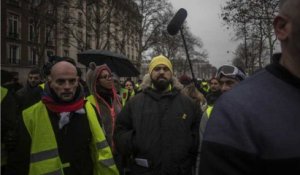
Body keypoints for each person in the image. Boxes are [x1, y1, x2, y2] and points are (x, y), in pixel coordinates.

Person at [199, 0, 300, 174]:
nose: (222, 88)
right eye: (220, 83)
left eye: (229, 83)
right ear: (281, 27)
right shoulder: (233, 113)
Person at [11, 61, 119, 175]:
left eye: (72, 81)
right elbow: (18, 163)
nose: (67, 87)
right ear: (50, 81)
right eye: (60, 81)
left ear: (78, 81)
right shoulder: (30, 116)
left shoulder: (89, 109)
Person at [114, 55, 201, 175]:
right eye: (157, 69)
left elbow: (197, 136)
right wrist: (136, 141)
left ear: (171, 74)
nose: (161, 72)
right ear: (150, 73)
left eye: (165, 69)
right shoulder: (134, 103)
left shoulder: (188, 104)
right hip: (144, 170)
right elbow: (120, 132)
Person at [85, 62, 123, 171]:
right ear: (97, 81)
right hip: (101, 155)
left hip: (119, 153)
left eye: (110, 76)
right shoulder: (89, 102)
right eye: (105, 77)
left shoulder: (118, 99)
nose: (109, 79)